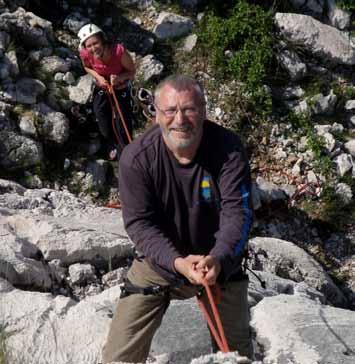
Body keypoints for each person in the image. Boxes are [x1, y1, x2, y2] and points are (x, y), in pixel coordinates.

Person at [102, 75, 254, 363]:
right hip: (160, 263)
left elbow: (239, 212)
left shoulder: (228, 150)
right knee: (118, 356)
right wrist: (178, 262)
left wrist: (218, 258)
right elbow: (139, 224)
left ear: (204, 111)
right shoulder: (137, 159)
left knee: (236, 355)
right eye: (170, 111)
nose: (180, 119)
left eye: (189, 109)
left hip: (217, 263)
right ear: (156, 115)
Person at [77, 23, 136, 160]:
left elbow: (132, 71)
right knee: (102, 118)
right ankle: (113, 144)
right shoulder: (85, 54)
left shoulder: (118, 52)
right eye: (89, 46)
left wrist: (119, 77)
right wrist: (98, 77)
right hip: (103, 87)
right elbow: (87, 68)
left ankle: (126, 156)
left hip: (120, 87)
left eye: (95, 43)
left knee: (122, 122)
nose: (93, 48)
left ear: (103, 40)